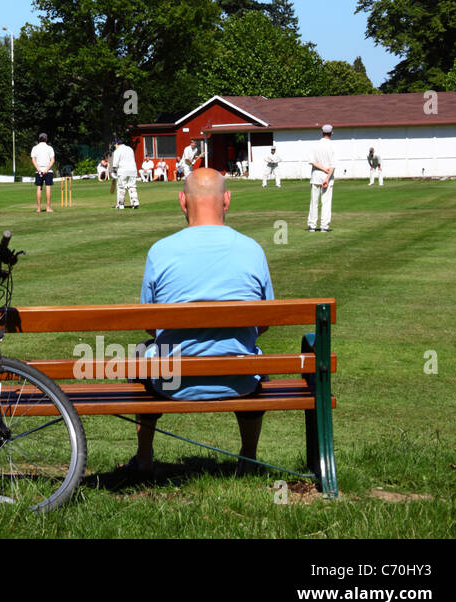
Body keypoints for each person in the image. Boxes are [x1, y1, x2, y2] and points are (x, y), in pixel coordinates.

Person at [129, 167, 273, 475]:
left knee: (142, 352)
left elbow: (150, 325)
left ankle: (143, 457)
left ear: (182, 201)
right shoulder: (253, 250)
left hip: (173, 382)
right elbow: (265, 322)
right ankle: (248, 457)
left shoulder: (160, 252)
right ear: (227, 200)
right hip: (239, 381)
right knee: (255, 359)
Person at [308, 124, 336, 232]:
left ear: (322, 132)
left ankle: (312, 226)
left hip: (316, 176)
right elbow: (333, 165)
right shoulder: (333, 146)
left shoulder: (315, 145)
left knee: (314, 202)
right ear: (332, 133)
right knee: (326, 202)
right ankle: (324, 226)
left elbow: (312, 162)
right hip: (327, 177)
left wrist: (323, 169)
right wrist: (327, 177)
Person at [110, 138, 139, 209]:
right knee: (132, 186)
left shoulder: (118, 150)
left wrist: (114, 171)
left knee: (121, 187)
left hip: (123, 171)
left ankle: (121, 204)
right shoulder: (130, 148)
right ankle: (135, 201)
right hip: (133, 170)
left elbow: (115, 163)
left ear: (117, 144)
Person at [30, 133, 55, 213]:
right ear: (46, 139)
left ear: (39, 139)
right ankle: (48, 208)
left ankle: (38, 208)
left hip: (39, 171)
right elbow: (52, 160)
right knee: (48, 188)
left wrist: (39, 169)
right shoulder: (49, 148)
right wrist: (47, 170)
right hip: (48, 171)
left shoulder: (35, 148)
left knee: (39, 188)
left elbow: (33, 160)